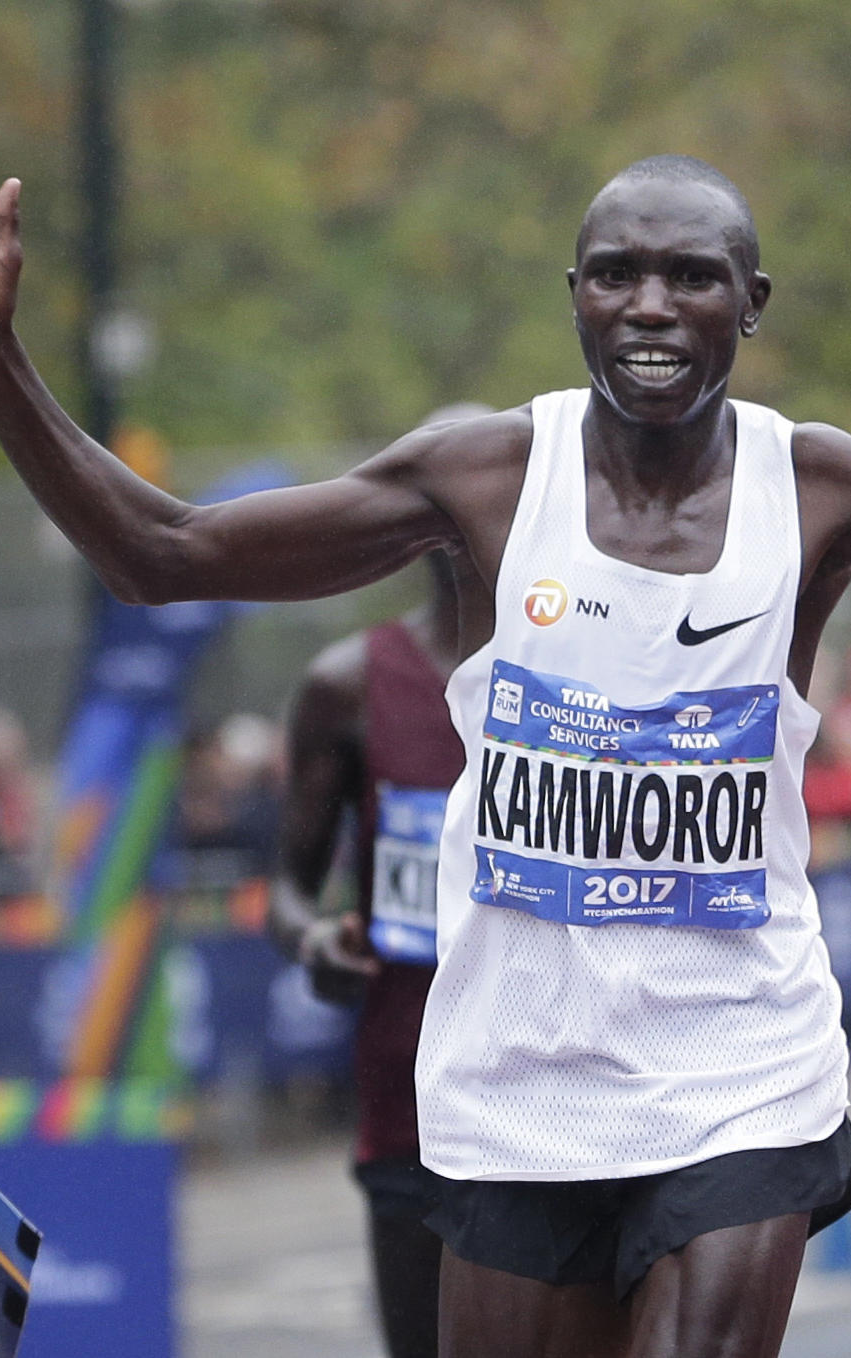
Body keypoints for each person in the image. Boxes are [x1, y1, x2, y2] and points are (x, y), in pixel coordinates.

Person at [0, 112, 851, 1357]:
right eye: (614, 273)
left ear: (751, 305)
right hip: (517, 1073)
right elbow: (164, 552)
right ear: (572, 294)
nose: (650, 304)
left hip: (735, 1061)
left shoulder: (818, 493)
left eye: (692, 276)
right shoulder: (484, 473)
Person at [270, 534, 480, 1358]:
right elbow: (287, 887)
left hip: (570, 1086)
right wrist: (316, 938)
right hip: (413, 1090)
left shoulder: (587, 672)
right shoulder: (347, 686)